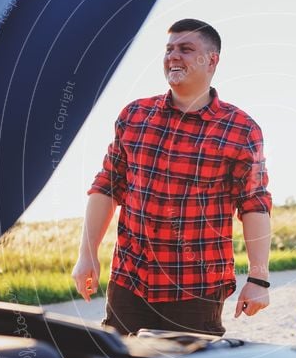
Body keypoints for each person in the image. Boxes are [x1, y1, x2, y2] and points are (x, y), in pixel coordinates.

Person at [72, 18, 272, 336]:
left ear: (212, 59)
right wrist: (88, 255)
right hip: (130, 280)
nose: (173, 56)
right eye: (169, 49)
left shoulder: (241, 129)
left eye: (186, 49)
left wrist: (259, 279)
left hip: (197, 288)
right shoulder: (134, 115)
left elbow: (254, 205)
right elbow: (107, 185)